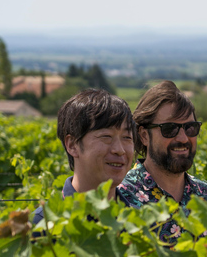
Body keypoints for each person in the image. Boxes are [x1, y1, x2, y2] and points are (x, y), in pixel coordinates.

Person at [116, 81, 207, 244]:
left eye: (190, 128)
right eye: (169, 129)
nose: (183, 138)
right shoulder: (122, 198)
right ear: (144, 135)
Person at [33, 88, 135, 225]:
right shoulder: (41, 227)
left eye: (127, 137)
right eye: (106, 136)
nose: (119, 150)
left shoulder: (140, 225)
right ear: (72, 145)